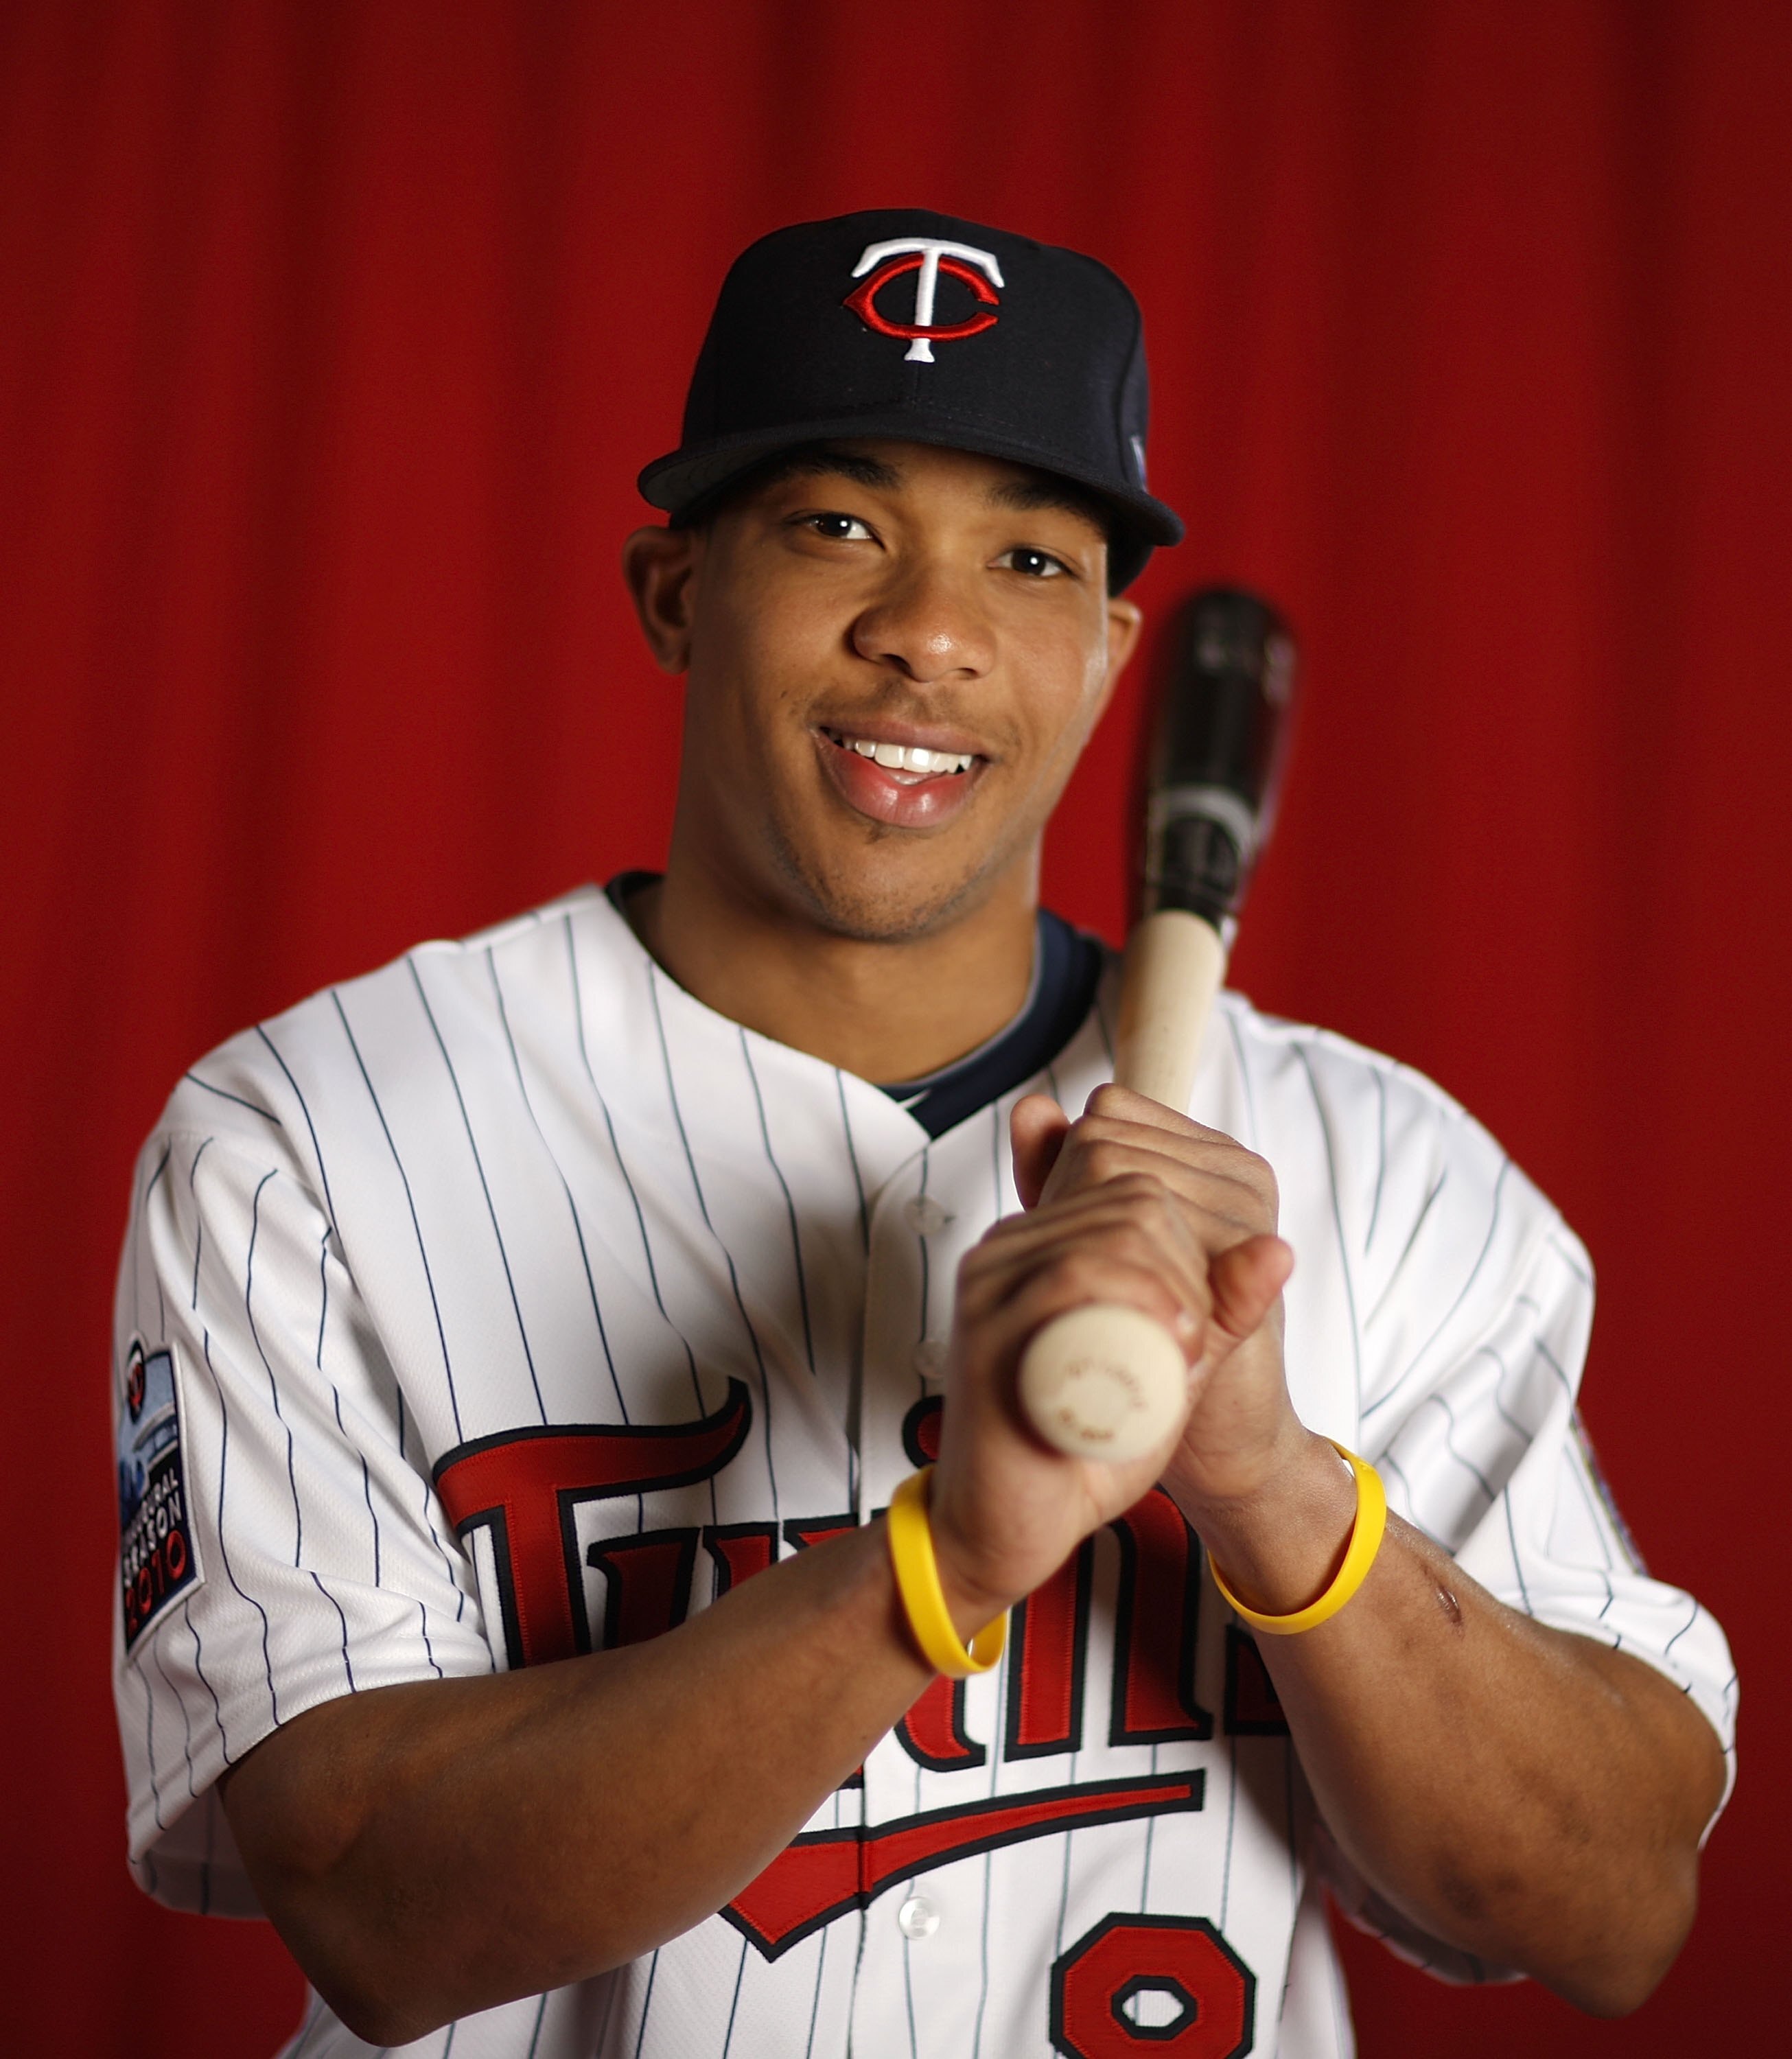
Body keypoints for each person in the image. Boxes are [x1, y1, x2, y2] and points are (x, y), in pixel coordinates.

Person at [111, 210, 1734, 2059]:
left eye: (1028, 558)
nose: (931, 634)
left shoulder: (1385, 1169)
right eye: (836, 527)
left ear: (1112, 657)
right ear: (672, 592)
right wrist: (937, 1570)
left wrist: (1274, 1489)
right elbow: (373, 1909)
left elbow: (1611, 1910)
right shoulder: (311, 1140)